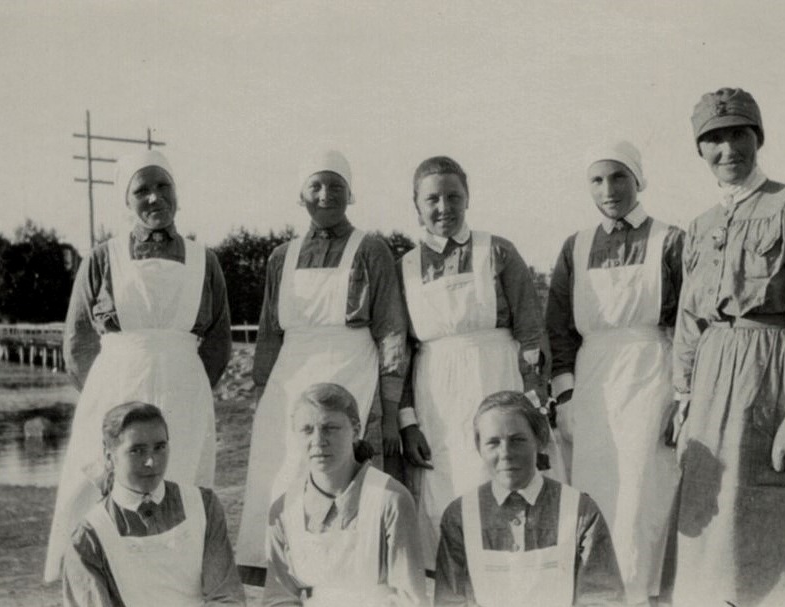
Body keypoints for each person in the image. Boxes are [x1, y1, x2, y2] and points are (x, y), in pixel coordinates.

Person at [668, 88, 785, 606]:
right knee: (713, 523)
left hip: (772, 379)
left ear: (757, 137)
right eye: (714, 140)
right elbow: (688, 319)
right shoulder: (699, 228)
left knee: (776, 519)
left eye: (738, 135)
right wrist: (683, 397)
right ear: (700, 150)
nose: (728, 151)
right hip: (710, 385)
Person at [45, 150, 231, 581]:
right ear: (127, 201)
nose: (153, 198)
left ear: (177, 193)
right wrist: (103, 399)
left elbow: (219, 340)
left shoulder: (206, 261)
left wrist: (190, 385)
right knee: (96, 489)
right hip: (116, 388)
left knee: (179, 490)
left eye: (162, 186)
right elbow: (78, 340)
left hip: (183, 393)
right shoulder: (103, 258)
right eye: (141, 190)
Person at [235, 150, 409, 583]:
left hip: (354, 373)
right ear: (301, 195)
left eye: (336, 185)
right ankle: (284, 580)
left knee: (346, 476)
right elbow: (270, 332)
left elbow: (391, 333)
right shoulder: (281, 257)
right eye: (316, 185)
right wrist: (262, 397)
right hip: (289, 384)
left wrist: (387, 409)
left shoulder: (371, 249)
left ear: (350, 193)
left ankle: (349, 579)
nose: (325, 194)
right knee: (284, 476)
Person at [397, 155, 551, 570]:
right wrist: (408, 421)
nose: (443, 207)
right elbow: (401, 352)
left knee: (504, 479)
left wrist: (534, 404)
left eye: (453, 196)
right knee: (446, 489)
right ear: (416, 204)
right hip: (437, 396)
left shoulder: (496, 250)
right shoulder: (406, 267)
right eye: (432, 199)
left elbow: (531, 330)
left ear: (468, 198)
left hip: (497, 378)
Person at [545, 141, 682, 604]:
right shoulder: (576, 245)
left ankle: (643, 593)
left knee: (644, 492)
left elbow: (688, 325)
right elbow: (559, 327)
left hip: (651, 374)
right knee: (597, 490)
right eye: (597, 180)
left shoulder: (671, 239)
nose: (609, 190)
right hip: (593, 381)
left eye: (619, 177)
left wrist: (682, 395)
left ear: (638, 179)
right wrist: (564, 396)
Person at [435, 391, 624, 606]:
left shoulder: (580, 511)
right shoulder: (460, 516)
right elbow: (450, 601)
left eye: (517, 440)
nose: (505, 453)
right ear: (479, 448)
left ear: (540, 440)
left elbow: (603, 598)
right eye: (493, 443)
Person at [62, 401, 245, 606]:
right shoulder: (89, 537)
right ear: (109, 456)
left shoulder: (203, 506)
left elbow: (227, 597)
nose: (151, 461)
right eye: (137, 451)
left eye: (160, 447)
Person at [264, 383, 427, 606]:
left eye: (330, 427)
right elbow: (278, 598)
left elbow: (410, 599)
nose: (318, 440)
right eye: (307, 429)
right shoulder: (284, 509)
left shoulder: (390, 499)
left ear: (356, 430)